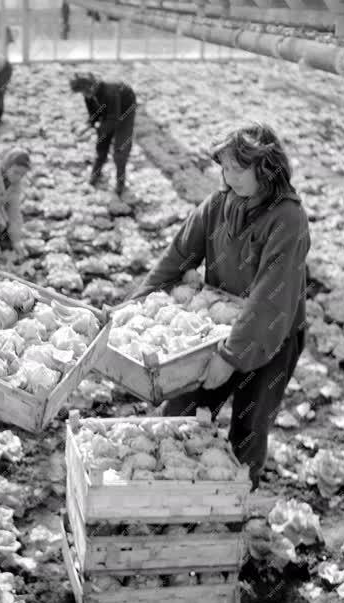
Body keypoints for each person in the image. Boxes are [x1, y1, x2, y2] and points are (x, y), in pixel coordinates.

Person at [127, 123, 311, 491]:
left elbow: (269, 296)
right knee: (181, 414)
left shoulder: (288, 221)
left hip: (270, 339)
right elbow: (178, 256)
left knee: (249, 427)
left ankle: (237, 506)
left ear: (267, 168)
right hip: (212, 333)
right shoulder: (217, 206)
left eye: (238, 170)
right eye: (224, 168)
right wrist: (132, 309)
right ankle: (175, 495)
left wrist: (230, 357)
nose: (229, 177)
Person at [69, 71, 136, 197]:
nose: (84, 95)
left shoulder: (109, 91)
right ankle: (96, 173)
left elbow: (113, 119)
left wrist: (99, 130)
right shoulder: (89, 93)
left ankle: (120, 182)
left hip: (125, 109)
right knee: (101, 144)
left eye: (84, 92)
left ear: (90, 87)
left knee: (120, 149)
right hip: (110, 111)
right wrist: (89, 125)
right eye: (82, 93)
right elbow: (94, 114)